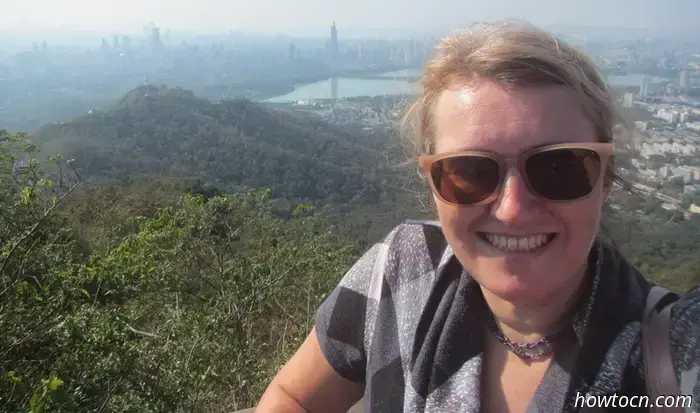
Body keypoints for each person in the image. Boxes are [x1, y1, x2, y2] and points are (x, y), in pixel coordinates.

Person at [255, 23, 700, 412]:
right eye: (469, 172)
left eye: (559, 168)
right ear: (433, 186)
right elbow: (294, 399)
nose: (512, 208)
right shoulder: (400, 270)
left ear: (606, 179)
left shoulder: (668, 352)